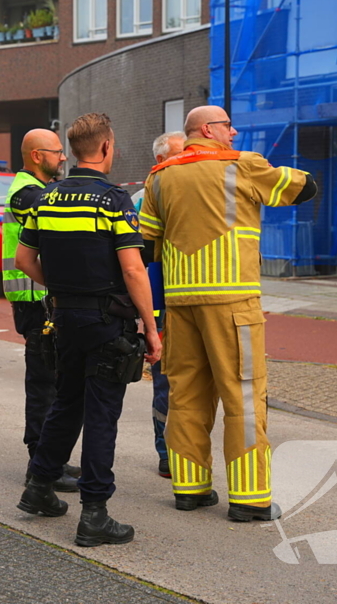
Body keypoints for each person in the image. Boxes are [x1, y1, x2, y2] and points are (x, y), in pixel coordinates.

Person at [139, 106, 317, 522]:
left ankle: (190, 489)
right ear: (207, 129)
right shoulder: (243, 165)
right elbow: (303, 188)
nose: (234, 132)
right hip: (232, 301)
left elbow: (146, 245)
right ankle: (250, 498)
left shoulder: (160, 176)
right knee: (244, 396)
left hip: (181, 303)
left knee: (185, 396)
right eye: (227, 126)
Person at [15, 113, 161, 547]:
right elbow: (134, 269)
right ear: (104, 148)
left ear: (74, 150)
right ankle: (94, 514)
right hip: (105, 323)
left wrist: (62, 289)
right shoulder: (114, 200)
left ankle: (39, 488)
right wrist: (151, 329)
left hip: (63, 318)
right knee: (101, 415)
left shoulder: (46, 198)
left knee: (67, 402)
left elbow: (24, 261)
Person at [3, 128, 80, 493]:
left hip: (44, 298)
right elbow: (55, 207)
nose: (64, 157)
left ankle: (53, 459)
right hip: (34, 300)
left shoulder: (34, 188)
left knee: (55, 382)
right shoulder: (25, 192)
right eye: (57, 152)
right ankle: (39, 465)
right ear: (37, 156)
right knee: (43, 384)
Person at [137, 131, 185, 480]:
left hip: (195, 301)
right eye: (179, 155)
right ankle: (166, 452)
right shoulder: (141, 200)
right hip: (163, 307)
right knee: (165, 384)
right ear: (159, 162)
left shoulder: (196, 192)